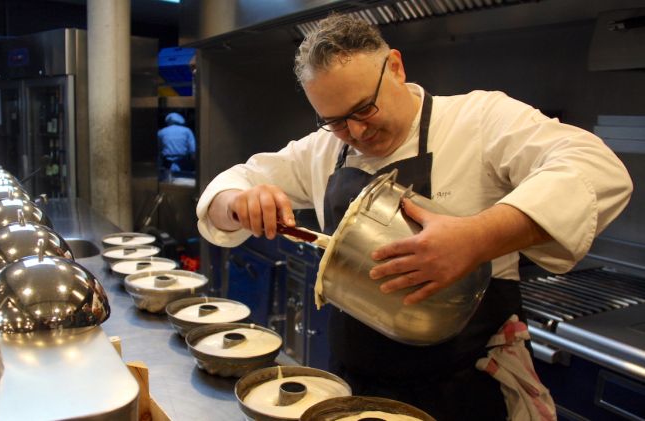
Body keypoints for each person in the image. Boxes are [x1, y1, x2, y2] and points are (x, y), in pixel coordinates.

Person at [196, 13, 632, 420]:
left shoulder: (478, 120)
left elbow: (597, 168)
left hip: (468, 384)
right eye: (337, 121)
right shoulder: (325, 148)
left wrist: (478, 237)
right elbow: (231, 184)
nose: (359, 132)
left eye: (365, 108)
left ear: (397, 68)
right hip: (354, 381)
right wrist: (237, 203)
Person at [157, 112, 196, 178]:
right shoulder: (187, 131)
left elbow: (158, 149)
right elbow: (193, 150)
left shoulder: (161, 132)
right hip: (183, 163)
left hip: (166, 164)